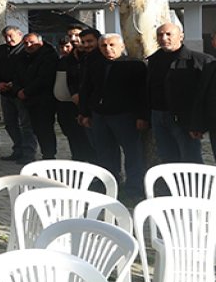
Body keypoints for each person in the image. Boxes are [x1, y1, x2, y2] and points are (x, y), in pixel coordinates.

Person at [79, 34, 148, 200]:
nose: (108, 49)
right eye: (104, 46)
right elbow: (86, 89)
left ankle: (134, 190)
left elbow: (143, 93)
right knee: (105, 154)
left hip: (125, 116)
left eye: (112, 45)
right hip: (99, 116)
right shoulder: (95, 64)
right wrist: (85, 113)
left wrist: (142, 116)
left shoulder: (135, 65)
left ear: (122, 46)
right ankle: (111, 187)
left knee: (132, 153)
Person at [147, 22, 210, 164]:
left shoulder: (200, 61)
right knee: (167, 159)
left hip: (185, 119)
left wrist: (198, 123)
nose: (164, 38)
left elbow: (205, 95)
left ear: (181, 36)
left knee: (191, 160)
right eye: (160, 35)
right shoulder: (153, 60)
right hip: (158, 116)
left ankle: (194, 180)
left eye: (169, 34)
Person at [0, 25, 35, 163]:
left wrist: (14, 84)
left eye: (11, 36)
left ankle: (28, 152)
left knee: (26, 125)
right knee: (10, 124)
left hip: (20, 93)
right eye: (6, 37)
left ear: (19, 34)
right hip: (5, 93)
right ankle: (18, 148)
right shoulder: (0, 50)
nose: (9, 39)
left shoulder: (26, 49)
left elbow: (28, 71)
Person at [55, 28, 98, 164]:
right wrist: (74, 93)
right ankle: (78, 160)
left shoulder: (94, 56)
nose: (73, 39)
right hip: (70, 103)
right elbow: (70, 79)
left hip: (91, 104)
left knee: (92, 138)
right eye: (70, 36)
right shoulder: (69, 58)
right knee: (73, 134)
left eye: (77, 35)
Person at [16, 33, 60, 161]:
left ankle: (49, 155)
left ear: (40, 42)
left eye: (32, 42)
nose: (29, 45)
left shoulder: (49, 56)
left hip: (43, 98)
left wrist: (27, 91)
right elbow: (17, 74)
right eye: (26, 43)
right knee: (34, 128)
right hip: (28, 98)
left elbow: (45, 78)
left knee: (45, 128)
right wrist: (18, 90)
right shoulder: (22, 56)